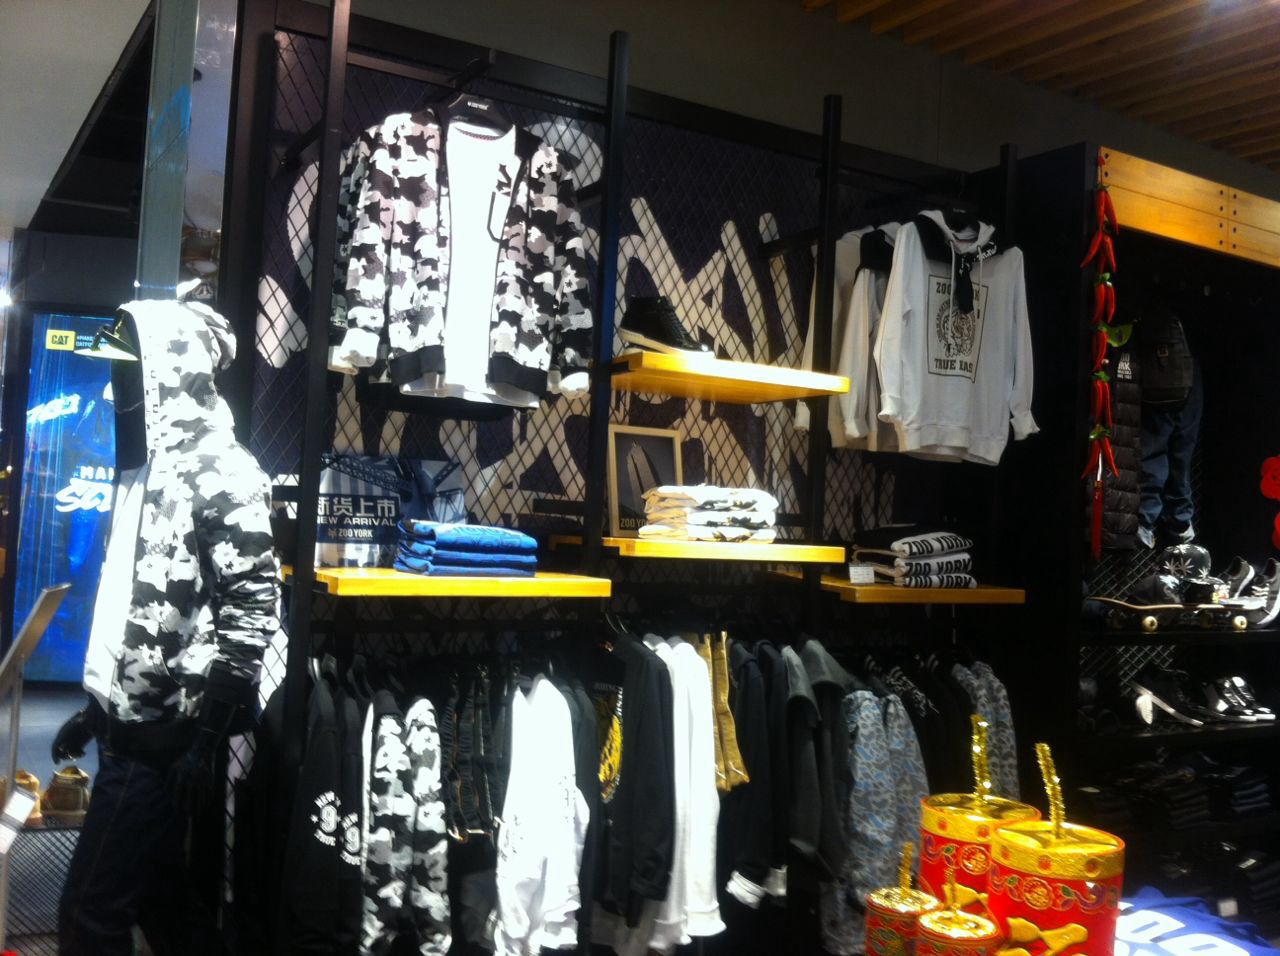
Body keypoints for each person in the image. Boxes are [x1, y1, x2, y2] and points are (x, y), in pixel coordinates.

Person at [53, 298, 281, 956]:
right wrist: (95, 710)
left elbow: (252, 610)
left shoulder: (225, 472)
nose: (114, 388)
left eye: (129, 370)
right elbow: (133, 605)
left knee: (89, 913)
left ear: (168, 369)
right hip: (127, 727)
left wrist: (203, 742)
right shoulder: (145, 467)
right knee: (160, 899)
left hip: (160, 742)